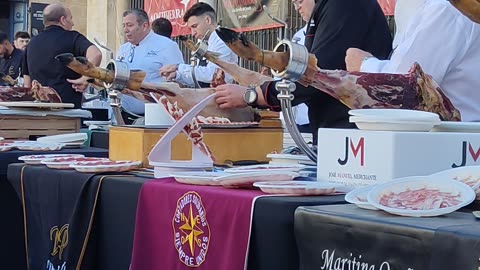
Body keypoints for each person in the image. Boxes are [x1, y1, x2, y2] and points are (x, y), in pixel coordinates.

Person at [215, 0, 392, 144]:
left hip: (354, 137)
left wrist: (252, 95)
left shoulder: (345, 5)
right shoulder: (327, 9)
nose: (296, 5)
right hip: (336, 134)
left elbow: (317, 77)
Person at [345, 0, 480, 121]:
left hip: (451, 139)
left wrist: (363, 64)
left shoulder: (444, 9)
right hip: (450, 137)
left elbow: (403, 89)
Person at [23, 3, 102, 108]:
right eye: (71, 18)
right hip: (67, 110)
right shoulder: (73, 37)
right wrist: (85, 79)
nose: (72, 23)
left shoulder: (31, 44)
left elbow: (27, 84)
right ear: (63, 20)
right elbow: (96, 54)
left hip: (38, 109)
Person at [117, 8, 184, 115]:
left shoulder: (166, 46)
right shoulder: (123, 49)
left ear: (144, 26)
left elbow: (177, 83)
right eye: (124, 25)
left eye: (130, 25)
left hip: (154, 115)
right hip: (122, 113)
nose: (125, 30)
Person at [159, 2, 238, 88]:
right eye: (191, 28)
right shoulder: (206, 42)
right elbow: (200, 78)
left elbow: (213, 74)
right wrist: (178, 76)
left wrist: (178, 67)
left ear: (208, 20)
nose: (193, 33)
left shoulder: (222, 40)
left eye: (195, 26)